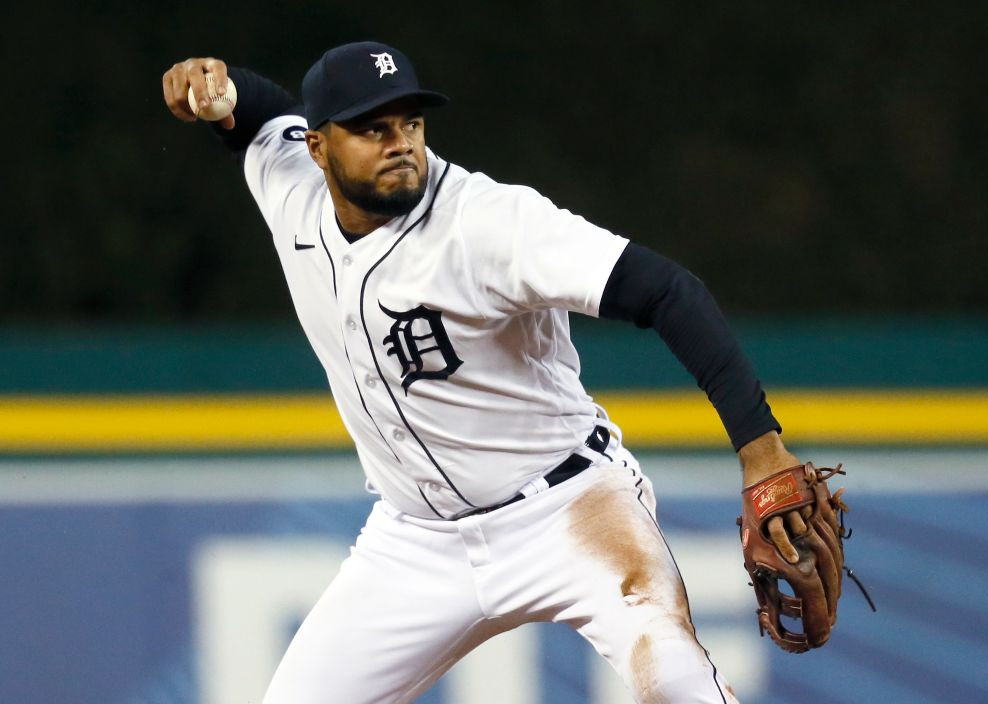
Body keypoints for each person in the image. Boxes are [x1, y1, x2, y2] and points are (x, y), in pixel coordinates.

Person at [163, 41, 812, 704]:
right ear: (317, 147)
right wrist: (221, 95)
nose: (399, 144)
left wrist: (760, 449)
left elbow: (667, 292)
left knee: (676, 685)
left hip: (567, 511)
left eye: (410, 124)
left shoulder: (490, 223)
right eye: (372, 129)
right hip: (414, 541)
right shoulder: (291, 188)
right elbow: (263, 117)